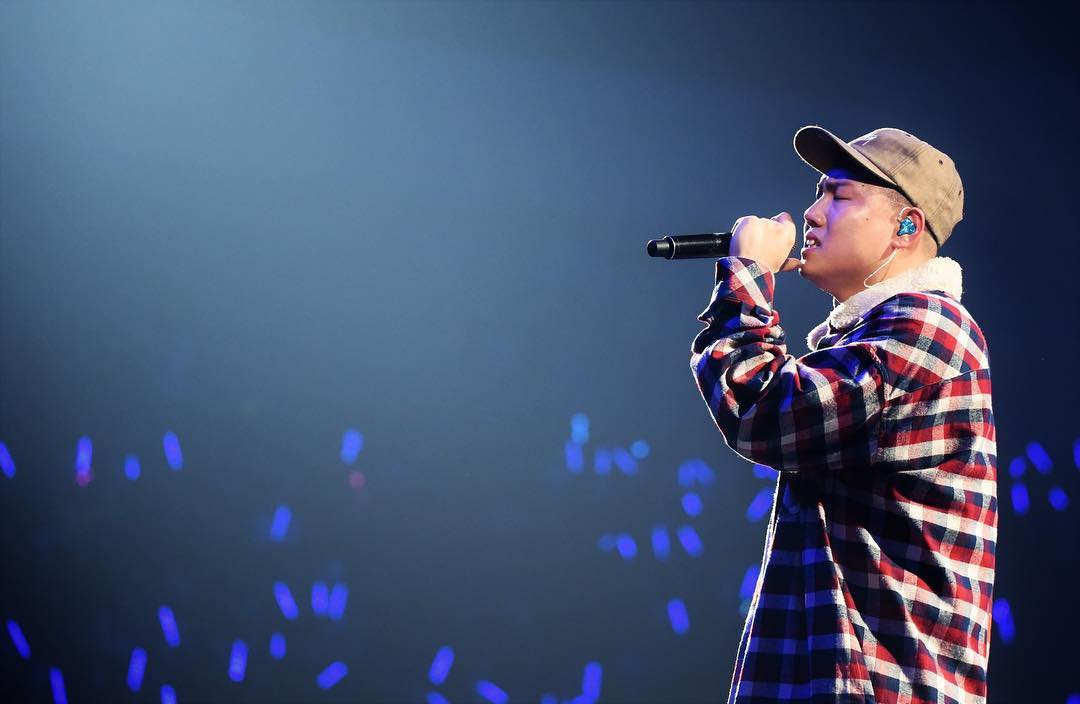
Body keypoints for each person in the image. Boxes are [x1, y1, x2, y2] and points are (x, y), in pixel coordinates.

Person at [689, 126, 997, 704]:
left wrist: (747, 274)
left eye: (838, 196)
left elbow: (759, 408)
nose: (810, 214)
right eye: (818, 194)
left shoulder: (929, 329)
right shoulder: (869, 337)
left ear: (906, 227)